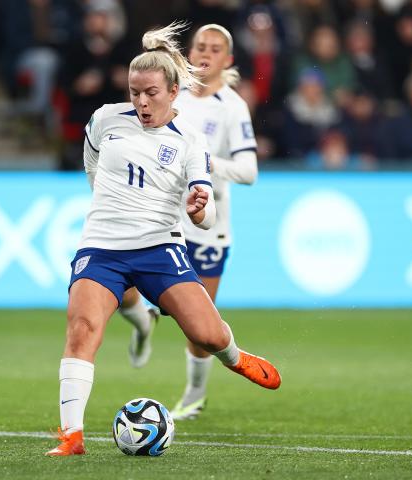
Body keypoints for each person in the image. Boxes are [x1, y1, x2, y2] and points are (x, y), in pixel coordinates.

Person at [46, 22, 280, 457]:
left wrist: (199, 209)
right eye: (134, 92)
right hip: (102, 249)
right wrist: (108, 202)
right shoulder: (104, 119)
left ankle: (236, 358)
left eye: (150, 93)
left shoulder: (191, 141)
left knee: (206, 336)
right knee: (82, 330)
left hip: (160, 248)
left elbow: (206, 211)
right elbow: (91, 162)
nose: (140, 102)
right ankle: (71, 436)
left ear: (173, 91)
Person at [118, 23, 260, 421]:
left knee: (201, 325)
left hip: (209, 221)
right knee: (117, 284)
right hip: (161, 214)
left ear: (227, 60)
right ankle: (141, 320)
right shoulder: (169, 90)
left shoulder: (231, 107)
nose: (206, 53)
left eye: (215, 49)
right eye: (200, 46)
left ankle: (194, 394)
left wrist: (203, 164)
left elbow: (249, 171)